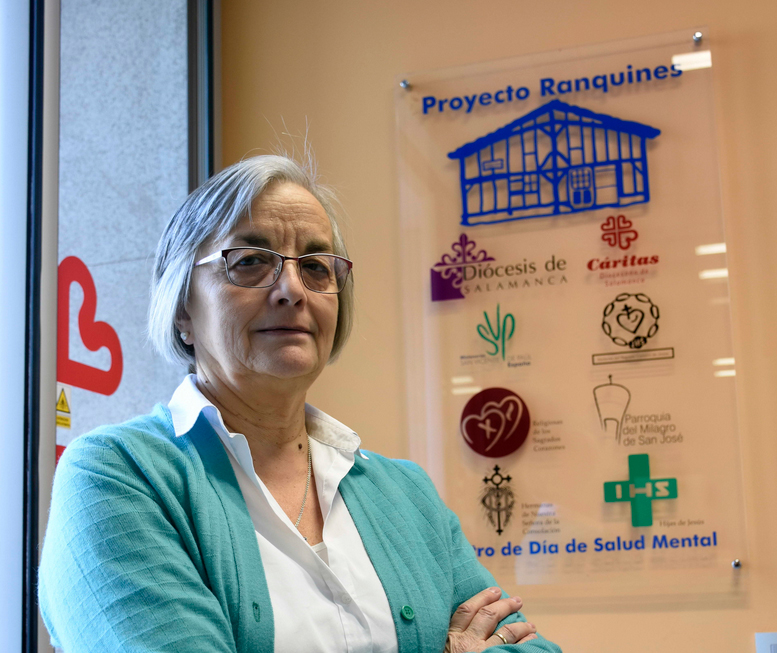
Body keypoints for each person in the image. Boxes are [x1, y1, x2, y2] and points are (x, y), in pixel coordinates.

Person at [38, 155, 561, 653]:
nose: (292, 289)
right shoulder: (117, 477)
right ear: (182, 309)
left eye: (315, 266)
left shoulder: (407, 496)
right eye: (250, 261)